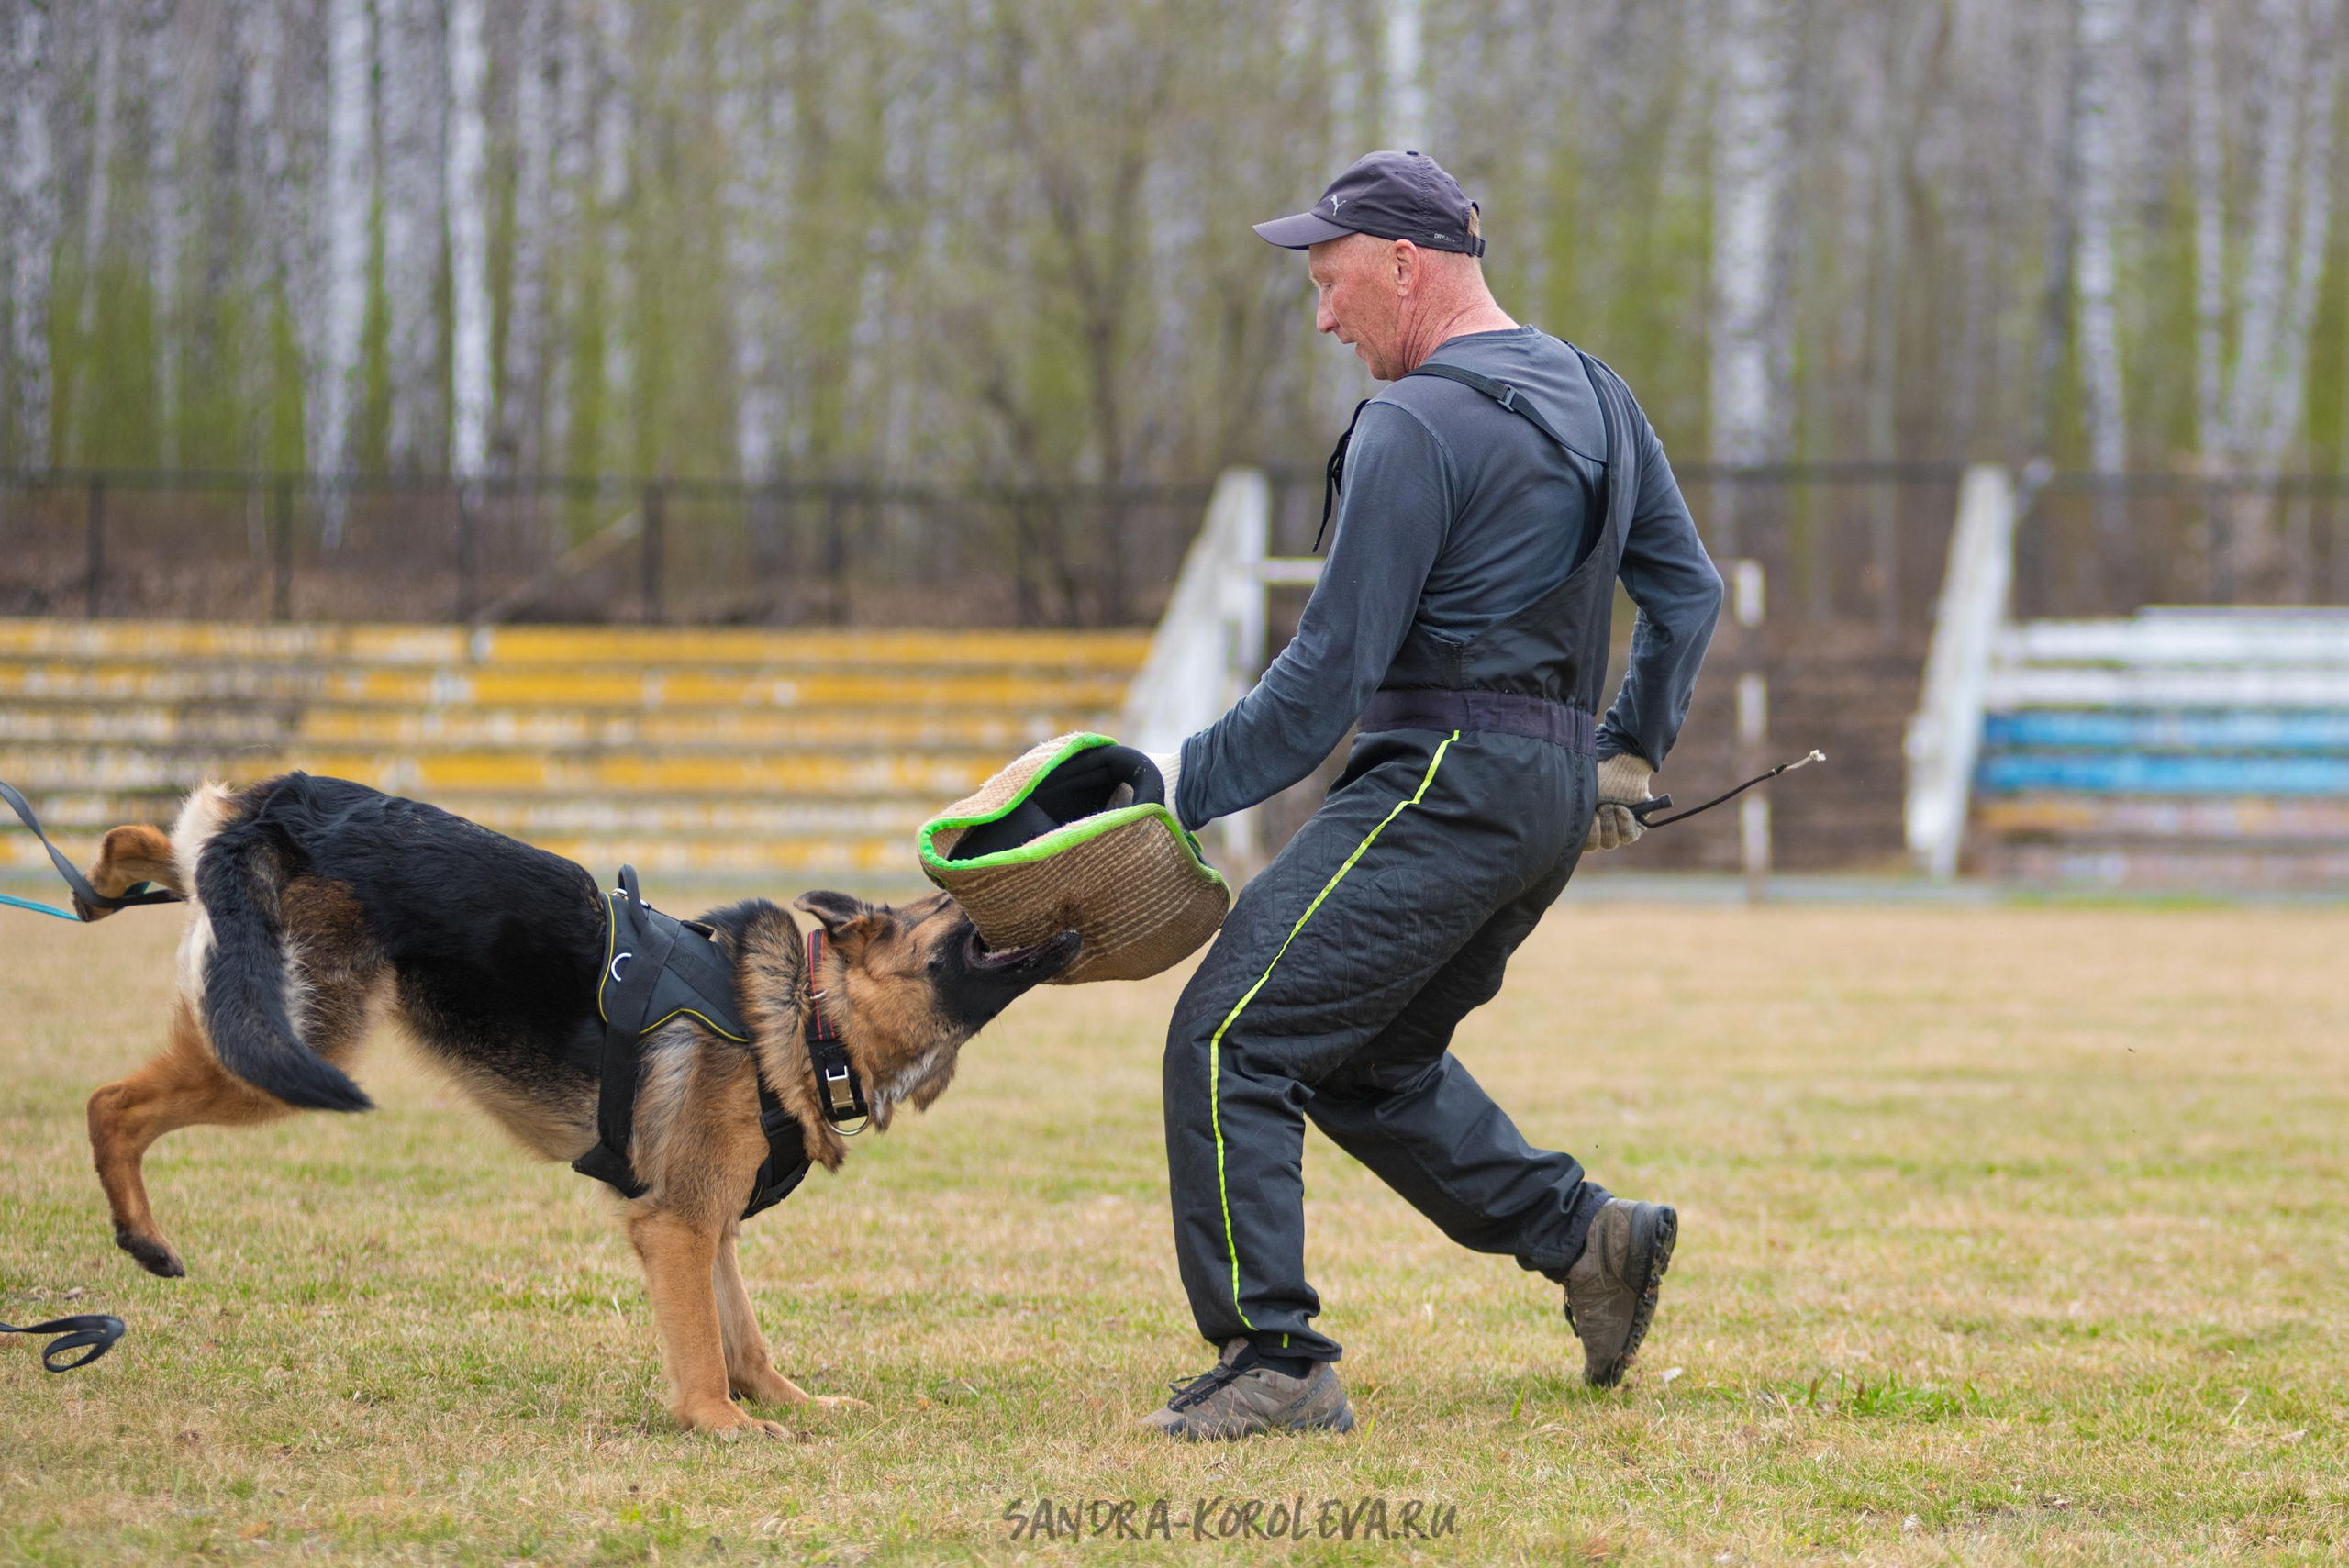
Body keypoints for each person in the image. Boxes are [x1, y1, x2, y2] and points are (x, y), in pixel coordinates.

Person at [1138, 150, 1723, 1440]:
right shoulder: (1601, 397)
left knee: (1230, 1037)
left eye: (1333, 280)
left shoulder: (1408, 427)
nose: (1325, 313)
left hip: (1442, 781)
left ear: (1404, 265)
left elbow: (1319, 685)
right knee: (1365, 1059)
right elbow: (1690, 591)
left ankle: (1274, 1357)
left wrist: (1162, 791)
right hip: (1544, 800)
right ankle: (1590, 1239)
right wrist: (1620, 750)